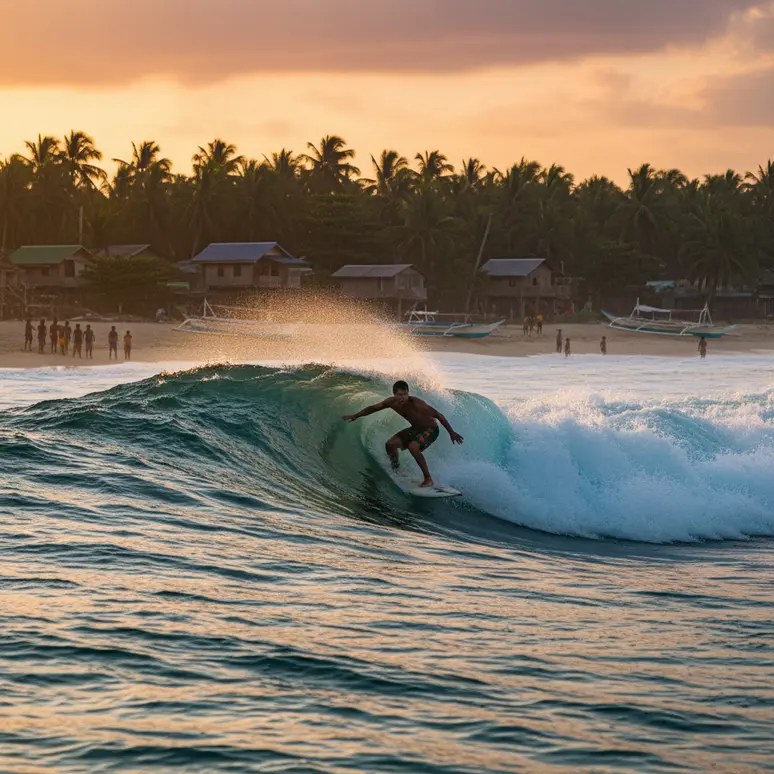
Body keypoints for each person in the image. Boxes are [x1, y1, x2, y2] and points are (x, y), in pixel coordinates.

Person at [342, 380, 464, 488]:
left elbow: (439, 415)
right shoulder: (390, 402)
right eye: (400, 394)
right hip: (416, 429)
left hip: (431, 429)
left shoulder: (417, 403)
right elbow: (373, 408)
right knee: (390, 444)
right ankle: (396, 470)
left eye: (405, 394)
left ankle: (428, 479)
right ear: (394, 394)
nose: (403, 397)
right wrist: (356, 416)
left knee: (413, 447)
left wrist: (451, 433)